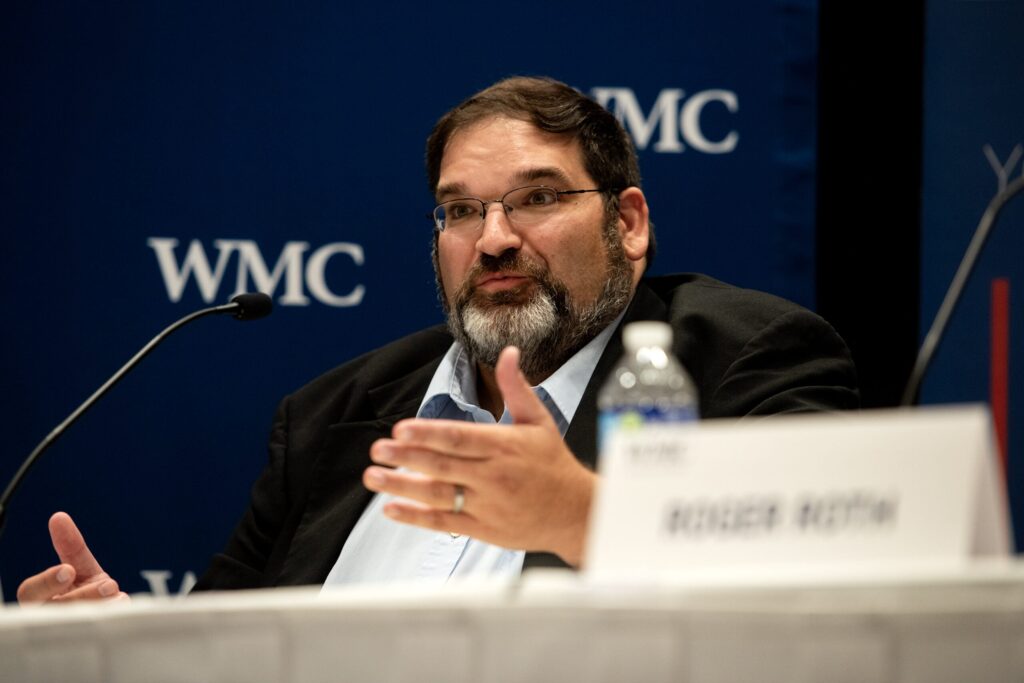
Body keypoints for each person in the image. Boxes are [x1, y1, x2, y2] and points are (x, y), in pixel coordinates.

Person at [17, 76, 858, 602]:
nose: (493, 238)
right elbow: (222, 644)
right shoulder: (331, 415)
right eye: (462, 210)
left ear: (628, 224)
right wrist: (118, 648)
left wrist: (585, 518)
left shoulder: (740, 358)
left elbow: (821, 602)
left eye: (535, 199)